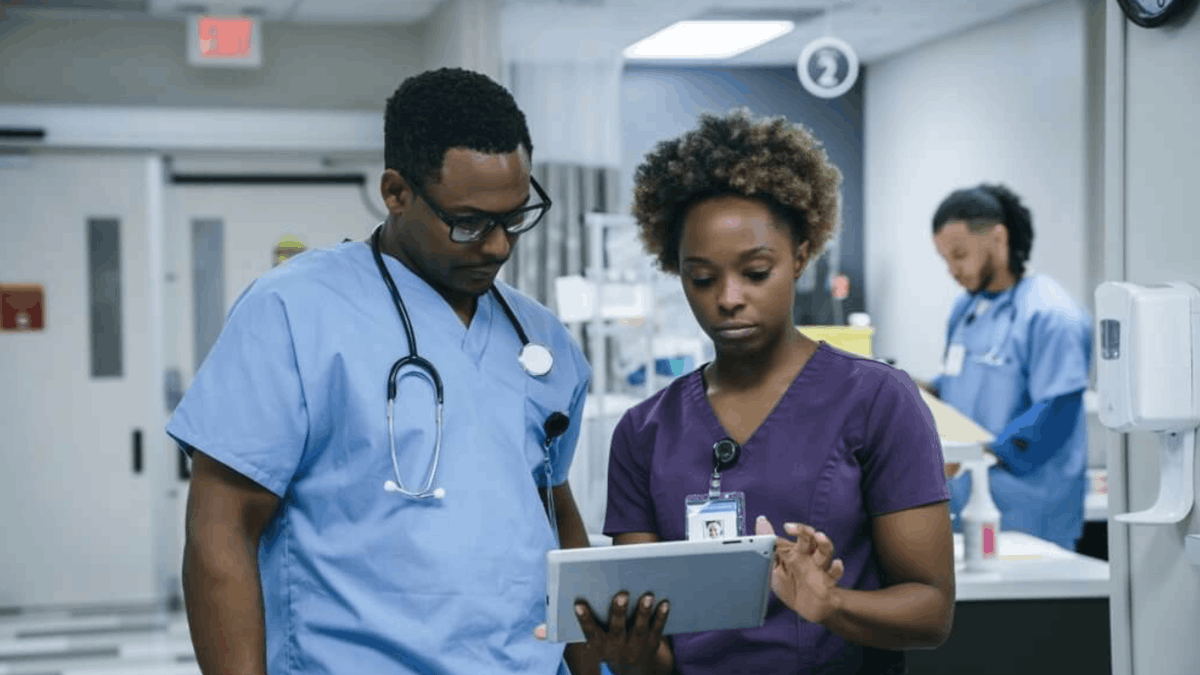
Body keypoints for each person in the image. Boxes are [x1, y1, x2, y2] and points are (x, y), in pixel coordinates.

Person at [168, 68, 599, 675]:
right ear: (396, 192)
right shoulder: (293, 311)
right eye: (470, 222)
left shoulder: (542, 338)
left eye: (515, 218)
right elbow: (222, 527)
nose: (499, 246)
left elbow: (554, 514)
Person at [573, 109, 955, 675]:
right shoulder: (644, 431)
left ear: (800, 255)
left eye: (755, 272)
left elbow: (931, 611)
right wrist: (625, 652)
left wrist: (832, 605)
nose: (728, 298)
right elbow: (654, 652)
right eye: (701, 278)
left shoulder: (877, 399)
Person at [925, 184, 1093, 551]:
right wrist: (913, 390)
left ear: (998, 238)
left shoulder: (1051, 313)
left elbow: (1056, 411)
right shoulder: (966, 311)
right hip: (965, 506)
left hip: (1029, 515)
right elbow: (960, 386)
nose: (953, 270)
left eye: (959, 254)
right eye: (945, 259)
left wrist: (973, 458)